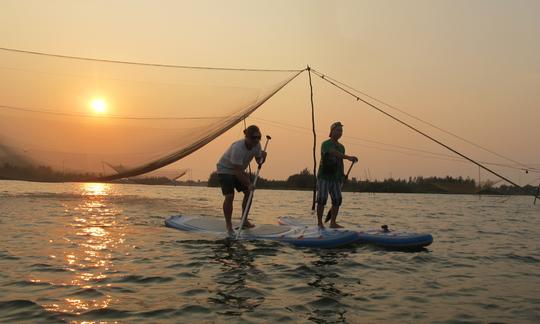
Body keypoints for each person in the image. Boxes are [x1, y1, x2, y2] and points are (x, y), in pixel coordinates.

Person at [216, 125, 267, 234]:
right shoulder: (237, 148)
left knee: (249, 193)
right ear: (247, 137)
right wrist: (248, 183)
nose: (257, 140)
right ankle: (229, 226)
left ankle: (244, 220)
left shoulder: (257, 145)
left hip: (238, 170)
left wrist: (263, 157)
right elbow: (237, 172)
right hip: (225, 170)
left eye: (259, 137)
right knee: (230, 196)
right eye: (254, 137)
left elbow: (259, 160)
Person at [316, 122, 358, 229]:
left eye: (341, 131)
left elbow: (340, 162)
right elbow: (333, 153)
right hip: (324, 177)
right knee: (322, 199)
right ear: (331, 131)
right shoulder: (326, 144)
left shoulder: (342, 147)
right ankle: (320, 223)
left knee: (337, 200)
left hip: (335, 178)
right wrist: (348, 157)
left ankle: (333, 223)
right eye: (337, 130)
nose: (340, 133)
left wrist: (342, 175)